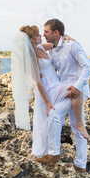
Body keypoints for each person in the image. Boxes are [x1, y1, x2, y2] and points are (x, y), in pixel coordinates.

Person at [37, 19, 90, 173]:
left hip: (78, 92)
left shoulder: (72, 45)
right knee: (68, 122)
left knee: (67, 120)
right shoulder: (52, 50)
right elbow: (51, 68)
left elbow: (87, 67)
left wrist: (77, 86)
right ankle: (75, 162)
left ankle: (74, 161)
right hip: (64, 91)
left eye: (46, 31)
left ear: (56, 32)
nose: (44, 34)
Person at [11, 25, 74, 159]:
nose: (41, 36)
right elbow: (38, 82)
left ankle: (49, 150)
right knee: (43, 122)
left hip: (56, 82)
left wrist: (65, 36)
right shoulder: (31, 57)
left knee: (50, 118)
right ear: (33, 40)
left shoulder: (40, 47)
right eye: (38, 35)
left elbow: (54, 44)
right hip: (47, 88)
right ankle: (43, 151)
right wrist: (47, 101)